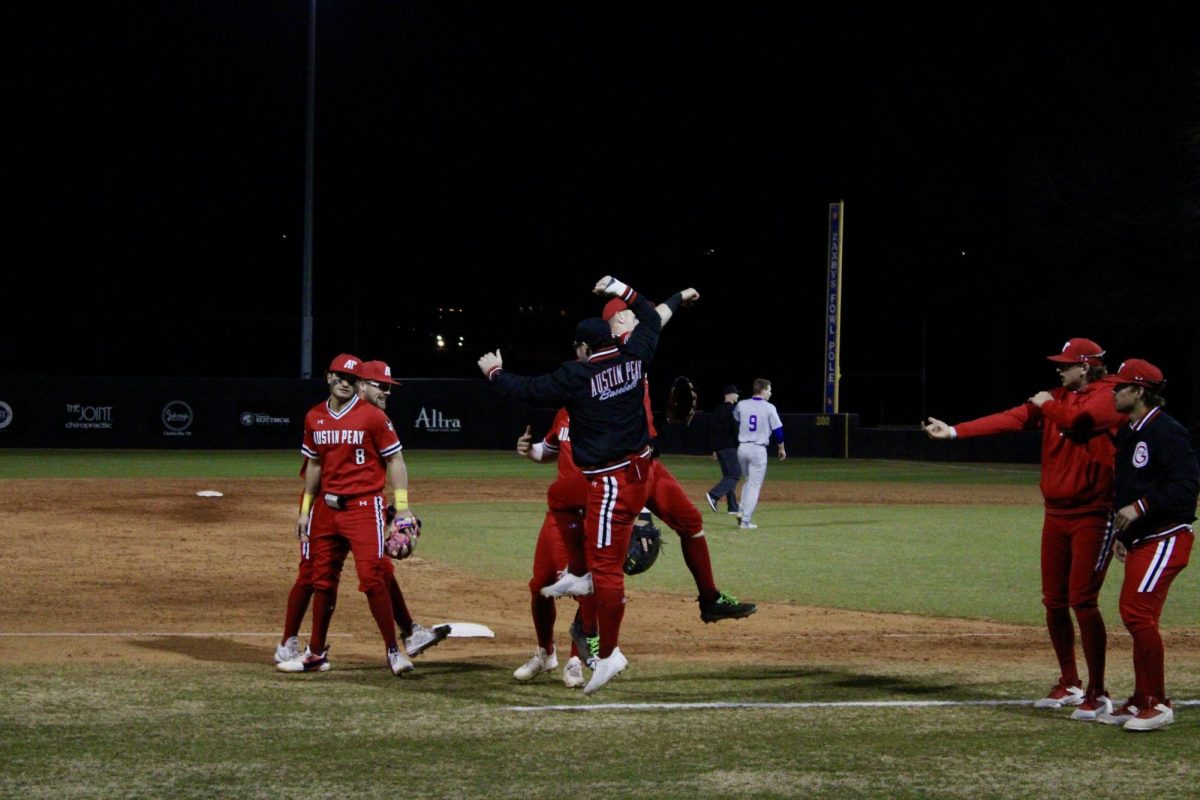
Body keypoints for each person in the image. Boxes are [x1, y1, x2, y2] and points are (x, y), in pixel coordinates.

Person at [922, 337, 1125, 719]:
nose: (1059, 370)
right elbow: (1013, 418)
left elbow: (1080, 425)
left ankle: (1098, 691)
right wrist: (954, 431)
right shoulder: (1055, 396)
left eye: (1066, 364)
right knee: (1054, 600)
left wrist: (1047, 404)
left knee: (1083, 600)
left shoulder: (1109, 395)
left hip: (1095, 513)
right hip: (1057, 512)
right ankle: (1070, 682)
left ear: (1086, 367)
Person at [478, 276, 660, 695]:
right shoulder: (637, 355)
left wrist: (495, 373)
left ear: (583, 347)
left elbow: (527, 389)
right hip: (630, 474)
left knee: (609, 574)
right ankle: (579, 579)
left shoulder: (578, 376)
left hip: (614, 479)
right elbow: (650, 315)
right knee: (578, 534)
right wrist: (621, 288)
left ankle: (609, 653)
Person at [273, 360, 448, 668]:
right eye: (381, 386)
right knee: (312, 576)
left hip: (361, 506)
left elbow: (390, 463)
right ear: (361, 385)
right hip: (321, 507)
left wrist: (398, 506)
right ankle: (289, 642)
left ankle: (406, 635)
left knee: (377, 571)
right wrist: (306, 511)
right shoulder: (319, 417)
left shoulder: (374, 418)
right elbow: (314, 469)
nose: (386, 393)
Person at [601, 296, 757, 621]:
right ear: (617, 321)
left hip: (648, 463)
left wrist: (663, 421)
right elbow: (656, 318)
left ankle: (710, 599)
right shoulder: (618, 353)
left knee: (691, 523)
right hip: (624, 468)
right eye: (631, 316)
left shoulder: (631, 352)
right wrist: (680, 295)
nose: (639, 320)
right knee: (609, 551)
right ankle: (585, 624)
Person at [1095, 359, 1198, 731]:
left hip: (1168, 536)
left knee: (1137, 614)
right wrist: (1123, 534)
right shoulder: (1130, 431)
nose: (1113, 391)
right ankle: (1141, 699)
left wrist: (1140, 508)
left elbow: (1186, 488)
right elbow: (1129, 486)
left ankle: (1158, 702)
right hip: (1144, 538)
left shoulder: (1168, 432)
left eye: (1120, 386)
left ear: (1139, 391)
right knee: (1137, 615)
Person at [510, 412, 593, 688]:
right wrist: (529, 450)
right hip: (560, 515)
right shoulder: (565, 413)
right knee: (540, 585)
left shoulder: (608, 407)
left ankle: (575, 661)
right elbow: (548, 450)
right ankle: (546, 653)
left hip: (594, 514)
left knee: (586, 591)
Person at [733, 379, 786, 530]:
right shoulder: (769, 407)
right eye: (769, 389)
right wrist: (781, 448)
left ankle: (741, 510)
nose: (770, 392)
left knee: (749, 480)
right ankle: (745, 520)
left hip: (742, 447)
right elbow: (778, 431)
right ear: (762, 391)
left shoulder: (741, 404)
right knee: (754, 485)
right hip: (758, 448)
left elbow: (736, 418)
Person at [705, 385, 742, 516]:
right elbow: (736, 429)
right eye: (736, 394)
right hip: (729, 448)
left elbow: (711, 431)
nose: (738, 396)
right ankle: (714, 495)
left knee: (729, 476)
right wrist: (741, 443)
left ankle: (732, 507)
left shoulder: (716, 411)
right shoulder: (732, 410)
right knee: (735, 474)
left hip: (720, 448)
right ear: (730, 394)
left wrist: (714, 449)